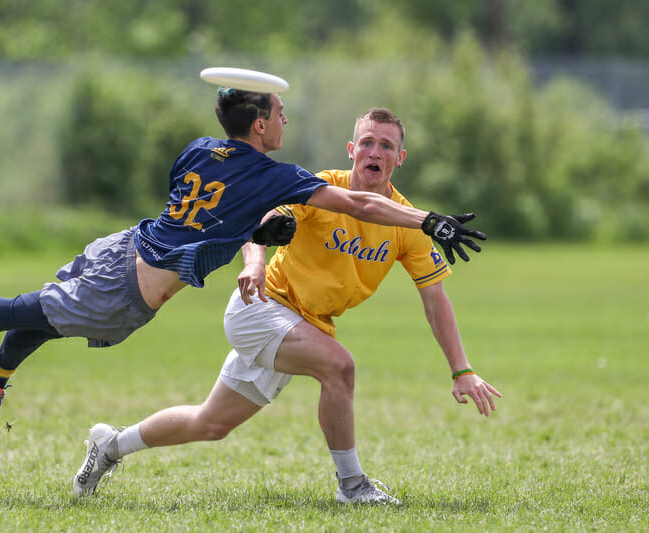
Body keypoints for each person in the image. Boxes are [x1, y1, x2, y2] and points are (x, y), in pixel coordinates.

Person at [0, 89, 486, 443]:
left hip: (125, 244)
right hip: (131, 290)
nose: (285, 121)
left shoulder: (199, 147)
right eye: (280, 113)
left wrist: (255, 232)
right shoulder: (275, 176)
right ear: (259, 125)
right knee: (32, 309)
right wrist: (430, 219)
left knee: (46, 314)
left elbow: (213, 213)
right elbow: (357, 204)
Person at [71, 107, 501, 504]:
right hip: (261, 307)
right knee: (340, 367)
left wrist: (461, 370)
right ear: (352, 150)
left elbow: (434, 299)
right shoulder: (322, 188)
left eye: (385, 145)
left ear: (399, 158)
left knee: (211, 423)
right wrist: (255, 263)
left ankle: (111, 444)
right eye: (367, 142)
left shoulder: (405, 223)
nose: (375, 151)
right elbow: (261, 220)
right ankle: (352, 486)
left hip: (303, 326)